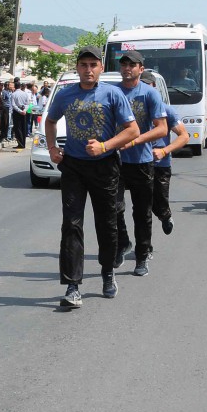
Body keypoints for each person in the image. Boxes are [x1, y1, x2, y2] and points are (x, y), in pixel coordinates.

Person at [45, 46, 139, 308]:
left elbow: (132, 130)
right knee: (71, 224)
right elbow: (51, 121)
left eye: (93, 65)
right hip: (74, 166)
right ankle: (72, 285)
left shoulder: (113, 93)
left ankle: (107, 273)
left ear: (100, 68)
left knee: (106, 223)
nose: (88, 70)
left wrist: (105, 146)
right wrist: (53, 148)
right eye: (83, 65)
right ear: (77, 67)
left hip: (105, 166)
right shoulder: (65, 95)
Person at [114, 52, 168, 277]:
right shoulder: (113, 92)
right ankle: (123, 241)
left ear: (140, 68)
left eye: (132, 65)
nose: (127, 68)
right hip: (114, 161)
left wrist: (135, 140)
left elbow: (162, 128)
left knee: (142, 212)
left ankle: (142, 255)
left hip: (141, 161)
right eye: (124, 64)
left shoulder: (149, 94)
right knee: (113, 207)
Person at [140, 70, 189, 246]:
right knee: (142, 207)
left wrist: (164, 150)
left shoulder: (166, 110)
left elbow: (184, 136)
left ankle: (165, 215)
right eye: (141, 84)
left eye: (148, 85)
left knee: (158, 202)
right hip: (138, 164)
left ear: (154, 87)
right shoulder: (133, 109)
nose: (145, 88)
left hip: (161, 164)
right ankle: (145, 247)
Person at [11, 81, 28, 149]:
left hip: (17, 112)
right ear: (20, 86)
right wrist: (24, 110)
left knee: (18, 128)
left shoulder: (13, 94)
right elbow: (27, 103)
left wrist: (20, 111)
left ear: (15, 86)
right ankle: (23, 143)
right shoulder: (25, 94)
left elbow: (13, 105)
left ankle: (20, 143)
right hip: (23, 110)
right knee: (23, 127)